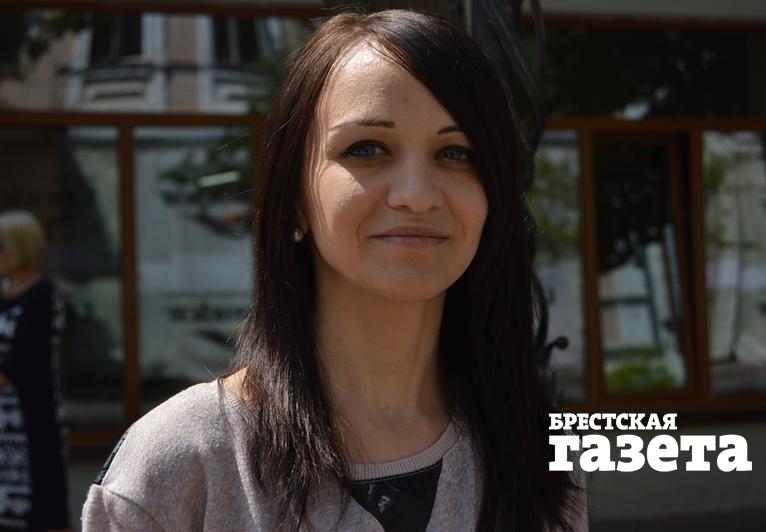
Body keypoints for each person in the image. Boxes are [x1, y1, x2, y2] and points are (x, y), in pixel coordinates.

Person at [82, 8, 586, 531]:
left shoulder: (539, 453)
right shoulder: (180, 463)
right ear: (294, 199)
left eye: (456, 153)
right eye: (367, 149)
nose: (417, 195)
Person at [0, 210, 70, 531]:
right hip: (4, 421)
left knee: (39, 505)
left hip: (30, 418)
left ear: (19, 248)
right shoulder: (3, 295)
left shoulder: (42, 295)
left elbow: (21, 358)